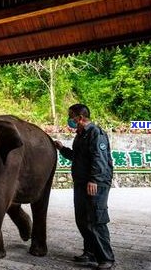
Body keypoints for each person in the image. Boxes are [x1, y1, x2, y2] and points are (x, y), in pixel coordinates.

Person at [54, 104, 115, 270]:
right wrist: (62, 149)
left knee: (96, 219)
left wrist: (94, 179)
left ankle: (106, 258)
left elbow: (99, 158)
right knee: (82, 219)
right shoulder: (80, 135)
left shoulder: (96, 133)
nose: (69, 120)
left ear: (80, 117)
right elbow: (77, 157)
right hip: (81, 182)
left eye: (71, 116)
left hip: (96, 183)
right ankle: (90, 252)